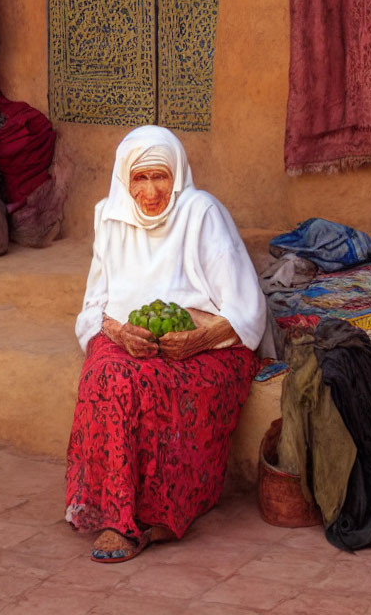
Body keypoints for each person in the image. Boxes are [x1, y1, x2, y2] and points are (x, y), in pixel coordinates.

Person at [66, 125, 268, 563]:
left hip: (208, 343)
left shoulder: (201, 213)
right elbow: (93, 309)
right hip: (125, 336)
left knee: (150, 383)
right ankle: (117, 515)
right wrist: (118, 333)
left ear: (176, 176)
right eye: (141, 178)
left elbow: (246, 310)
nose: (152, 190)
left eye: (161, 177)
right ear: (126, 180)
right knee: (108, 373)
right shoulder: (109, 216)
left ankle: (161, 511)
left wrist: (200, 338)